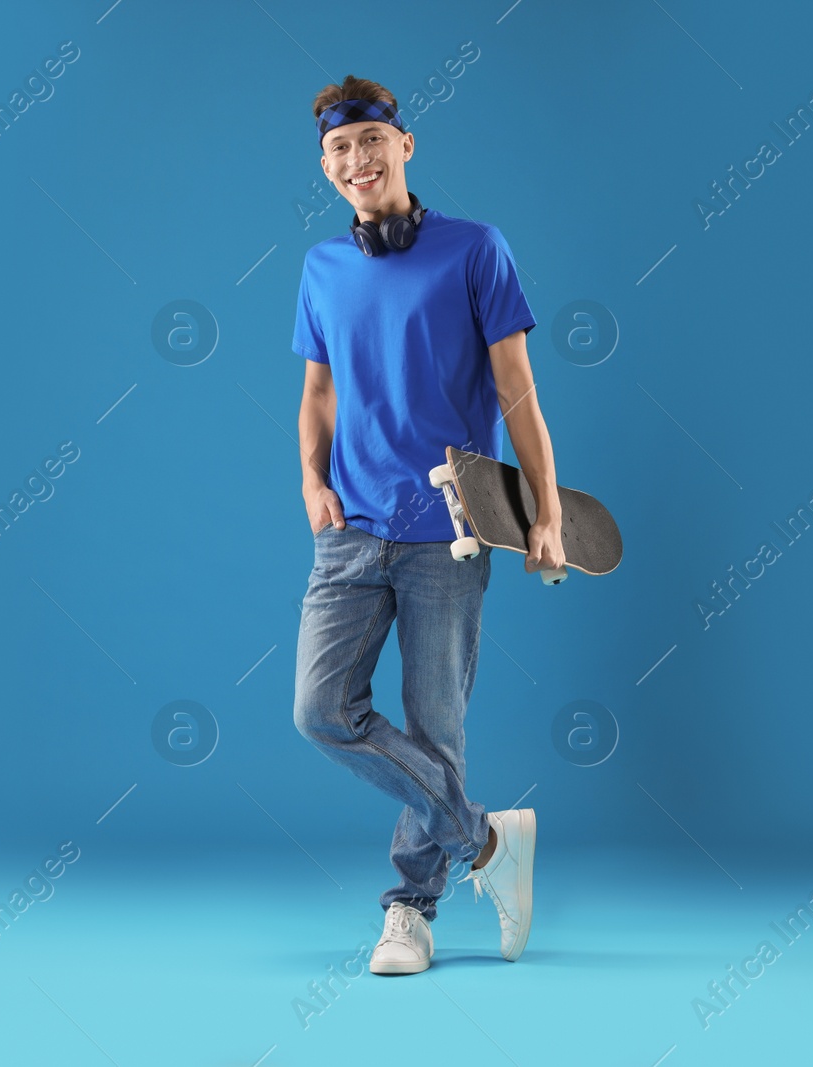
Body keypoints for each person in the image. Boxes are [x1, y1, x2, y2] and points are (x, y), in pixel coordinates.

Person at [290, 75, 562, 975]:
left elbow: (517, 391)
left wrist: (547, 514)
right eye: (339, 149)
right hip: (351, 531)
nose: (357, 159)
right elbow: (318, 392)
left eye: (372, 139)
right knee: (322, 710)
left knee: (434, 726)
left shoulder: (476, 250)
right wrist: (312, 482)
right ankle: (489, 842)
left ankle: (410, 907)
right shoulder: (322, 268)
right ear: (326, 167)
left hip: (451, 526)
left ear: (405, 145)